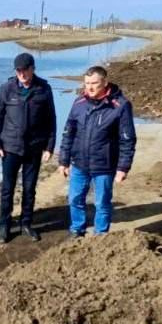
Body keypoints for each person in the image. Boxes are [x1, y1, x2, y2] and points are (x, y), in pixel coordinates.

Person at [57, 65, 136, 238]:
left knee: (102, 203)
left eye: (94, 83)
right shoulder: (79, 103)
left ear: (105, 82)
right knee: (74, 199)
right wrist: (63, 160)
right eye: (86, 83)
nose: (90, 88)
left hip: (104, 166)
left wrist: (123, 167)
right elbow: (68, 132)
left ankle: (101, 237)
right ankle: (77, 231)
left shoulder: (120, 106)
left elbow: (127, 139)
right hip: (79, 164)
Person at [0, 52, 56, 243]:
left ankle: (26, 223)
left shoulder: (44, 89)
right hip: (10, 147)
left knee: (29, 188)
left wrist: (49, 147)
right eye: (18, 71)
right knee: (7, 189)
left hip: (34, 148)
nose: (22, 74)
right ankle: (5, 225)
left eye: (25, 70)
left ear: (32, 69)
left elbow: (51, 120)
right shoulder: (7, 89)